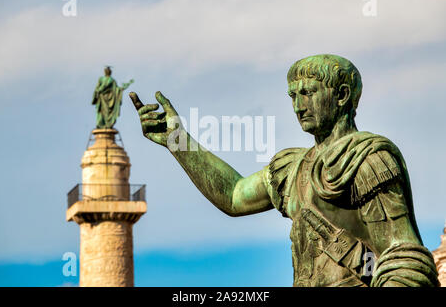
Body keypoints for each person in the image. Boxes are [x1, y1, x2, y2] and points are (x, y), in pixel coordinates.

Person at [129, 54, 439, 287]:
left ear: (342, 96)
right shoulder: (292, 169)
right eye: (292, 96)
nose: (297, 105)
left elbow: (402, 257)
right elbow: (234, 196)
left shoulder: (368, 160)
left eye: (307, 93)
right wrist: (177, 140)